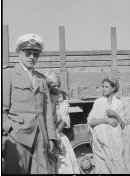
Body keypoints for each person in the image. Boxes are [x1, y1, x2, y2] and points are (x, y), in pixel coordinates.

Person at [3, 34, 58, 174]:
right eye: (28, 53)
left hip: (40, 138)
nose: (32, 57)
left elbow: (48, 113)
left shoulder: (41, 79)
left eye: (36, 54)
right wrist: (10, 130)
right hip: (18, 136)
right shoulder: (8, 74)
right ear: (20, 53)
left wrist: (51, 137)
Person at [87, 76, 126, 174]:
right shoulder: (98, 102)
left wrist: (116, 115)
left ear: (113, 88)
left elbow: (123, 124)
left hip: (115, 144)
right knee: (103, 168)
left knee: (117, 167)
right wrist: (105, 120)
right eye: (103, 86)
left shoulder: (119, 103)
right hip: (100, 143)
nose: (103, 89)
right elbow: (91, 121)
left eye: (106, 86)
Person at [45, 70, 80, 174]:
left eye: (58, 85)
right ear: (48, 86)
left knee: (63, 164)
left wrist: (56, 137)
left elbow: (63, 121)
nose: (57, 88)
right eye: (53, 85)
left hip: (58, 135)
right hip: (46, 136)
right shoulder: (44, 100)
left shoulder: (63, 102)